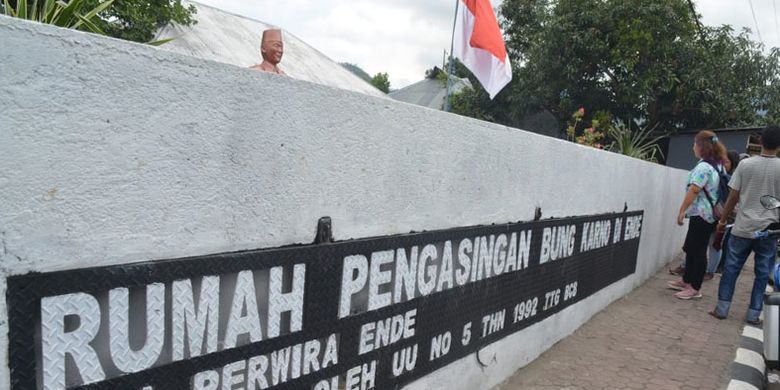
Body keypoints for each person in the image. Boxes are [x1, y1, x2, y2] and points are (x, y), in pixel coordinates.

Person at [710, 125, 780, 324]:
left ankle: (722, 309)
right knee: (762, 274)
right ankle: (753, 314)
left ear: (760, 141)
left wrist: (722, 221)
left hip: (742, 227)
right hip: (769, 231)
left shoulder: (745, 165)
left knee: (731, 269)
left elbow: (733, 197)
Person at [668, 130, 727, 299]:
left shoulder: (704, 167)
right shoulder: (718, 165)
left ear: (702, 146)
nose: (693, 147)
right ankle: (687, 280)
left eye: (695, 143)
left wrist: (681, 211)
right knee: (692, 247)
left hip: (702, 215)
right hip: (709, 215)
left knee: (698, 250)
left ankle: (694, 287)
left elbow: (694, 189)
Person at [670, 149, 740, 279]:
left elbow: (696, 189)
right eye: (723, 160)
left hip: (722, 217)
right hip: (711, 214)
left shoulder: (731, 179)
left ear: (733, 164)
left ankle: (709, 272)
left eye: (727, 161)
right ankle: (687, 268)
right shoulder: (718, 174)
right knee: (698, 243)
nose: (723, 163)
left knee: (715, 244)